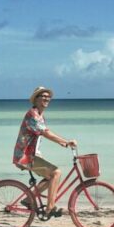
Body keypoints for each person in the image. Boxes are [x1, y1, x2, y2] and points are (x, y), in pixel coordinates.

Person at [13, 86, 77, 218]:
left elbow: (43, 133)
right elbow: (45, 133)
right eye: (43, 96)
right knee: (56, 172)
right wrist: (65, 141)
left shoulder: (40, 115)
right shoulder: (33, 114)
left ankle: (28, 200)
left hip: (31, 154)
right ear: (36, 99)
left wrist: (62, 142)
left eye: (49, 97)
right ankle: (50, 207)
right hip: (25, 156)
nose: (47, 98)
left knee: (50, 177)